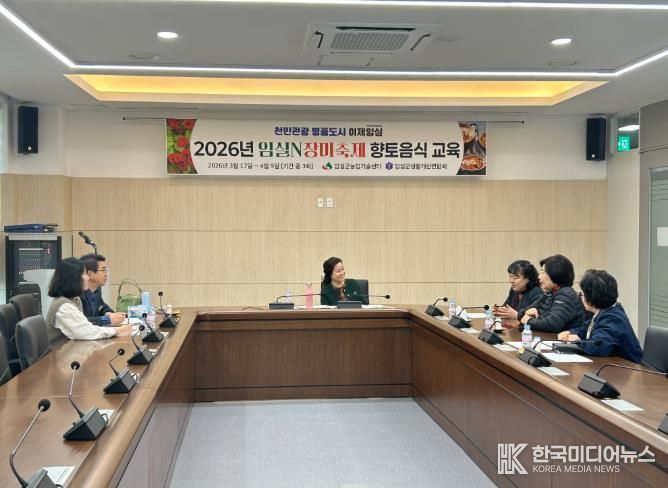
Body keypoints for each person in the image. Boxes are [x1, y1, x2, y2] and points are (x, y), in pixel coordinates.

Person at [558, 270, 642, 363]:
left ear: (590, 299)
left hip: (628, 368)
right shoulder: (606, 312)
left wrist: (577, 341)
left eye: (582, 294)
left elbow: (598, 346)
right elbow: (586, 329)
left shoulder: (614, 318)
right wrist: (570, 332)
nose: (581, 297)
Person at [46, 257, 133, 341]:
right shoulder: (64, 306)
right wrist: (117, 331)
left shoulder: (74, 299)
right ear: (74, 278)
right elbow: (87, 332)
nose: (87, 278)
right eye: (84, 274)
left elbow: (89, 323)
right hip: (60, 350)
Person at [520, 254, 584, 333]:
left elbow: (552, 324)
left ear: (556, 273)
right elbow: (520, 314)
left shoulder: (566, 295)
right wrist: (527, 312)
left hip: (561, 340)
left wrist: (528, 320)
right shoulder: (550, 293)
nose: (539, 277)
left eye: (543, 272)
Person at [493, 260, 543, 327]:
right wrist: (499, 310)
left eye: (515, 278)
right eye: (510, 276)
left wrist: (516, 315)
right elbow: (506, 307)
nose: (511, 281)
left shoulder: (537, 293)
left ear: (528, 279)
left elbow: (534, 318)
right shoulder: (514, 290)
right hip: (512, 327)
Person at [80, 253, 126, 325]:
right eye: (103, 270)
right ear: (90, 274)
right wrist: (106, 319)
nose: (106, 274)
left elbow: (102, 307)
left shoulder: (97, 290)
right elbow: (81, 321)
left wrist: (110, 314)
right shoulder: (77, 294)